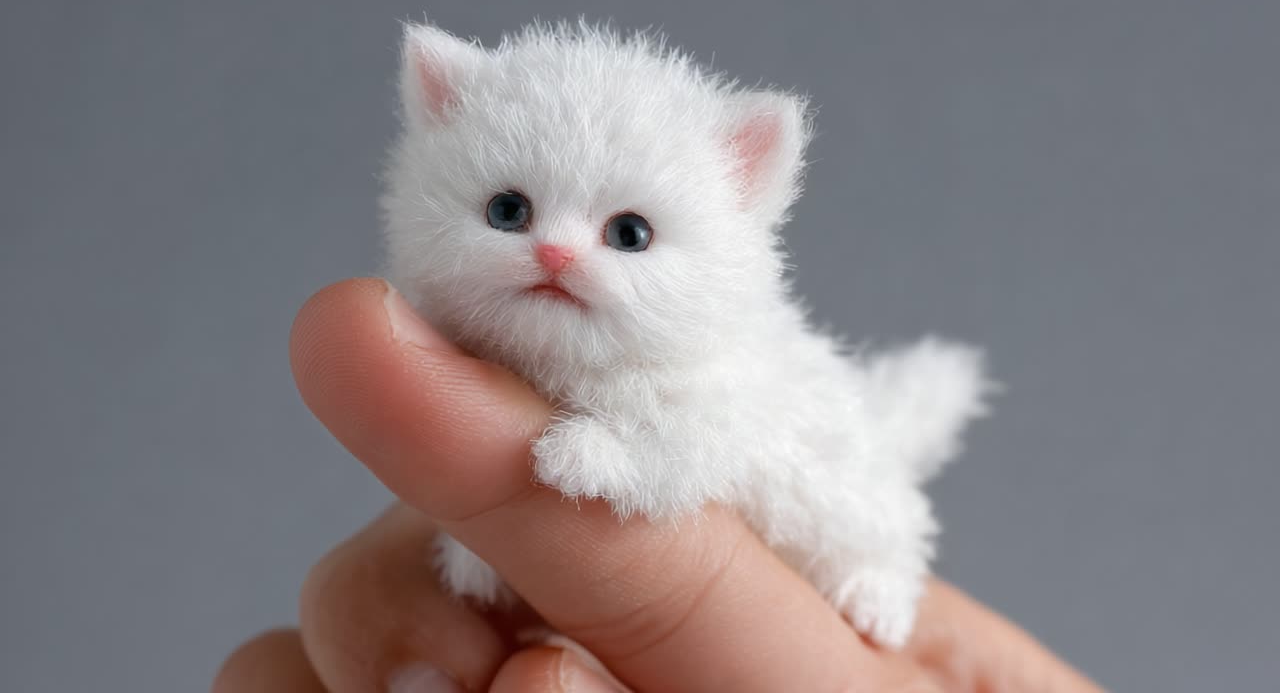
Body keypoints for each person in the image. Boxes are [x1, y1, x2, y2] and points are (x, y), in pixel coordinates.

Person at [212, 278, 1103, 693]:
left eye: (629, 236)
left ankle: (884, 568)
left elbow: (695, 449)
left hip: (813, 502)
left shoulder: (724, 371)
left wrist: (614, 457)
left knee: (846, 500)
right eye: (509, 209)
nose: (558, 251)